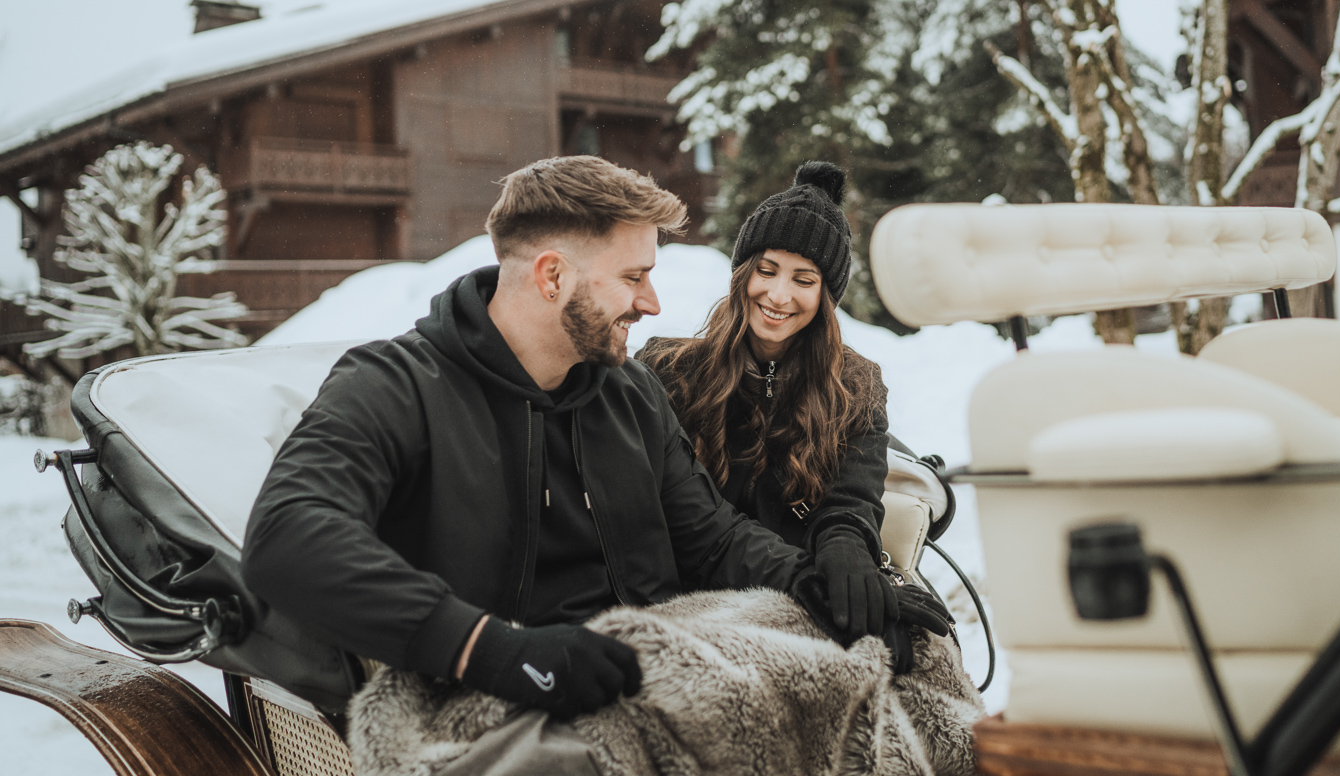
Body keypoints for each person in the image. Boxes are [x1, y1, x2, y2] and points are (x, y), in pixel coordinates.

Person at [241, 155, 947, 776]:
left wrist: (817, 582)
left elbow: (711, 536)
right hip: (506, 694)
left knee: (915, 675)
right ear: (552, 277)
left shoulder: (627, 391)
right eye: (634, 276)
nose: (652, 301)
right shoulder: (396, 386)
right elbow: (289, 537)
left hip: (661, 672)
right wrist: (497, 650)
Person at [637, 162, 902, 647]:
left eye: (804, 279)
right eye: (767, 270)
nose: (778, 295)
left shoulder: (856, 386)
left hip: (797, 599)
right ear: (742, 274)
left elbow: (851, 500)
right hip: (682, 598)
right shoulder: (668, 369)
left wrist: (845, 544)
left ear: (826, 295)